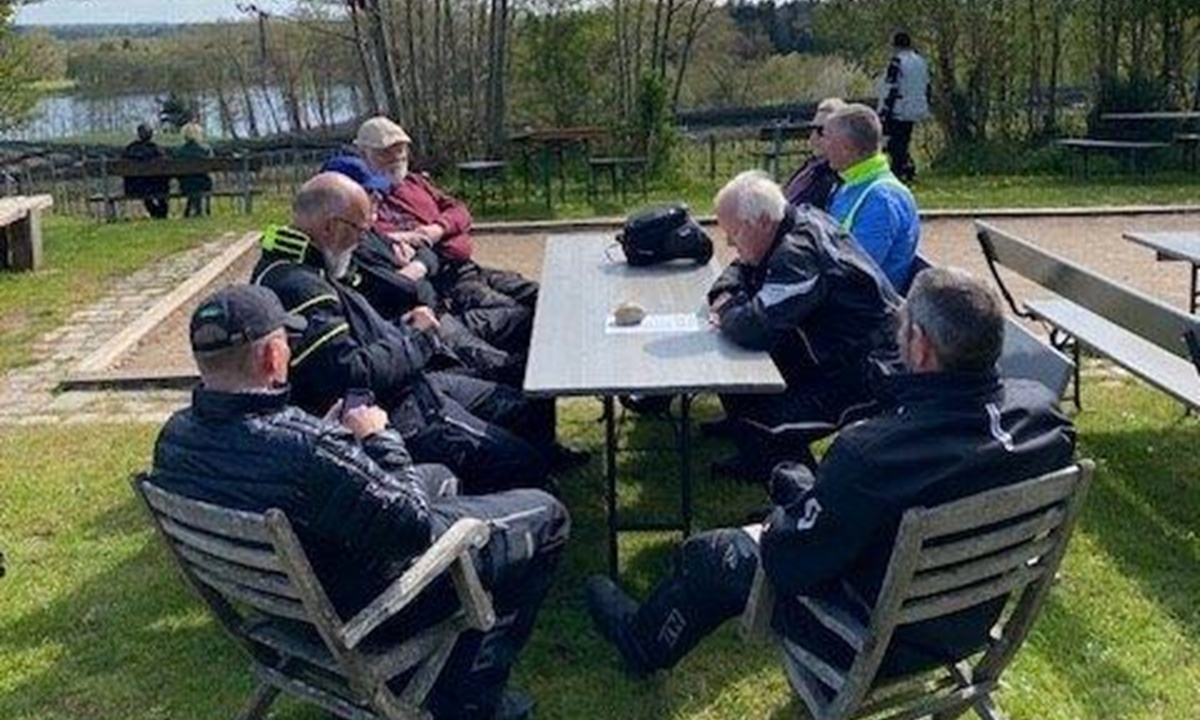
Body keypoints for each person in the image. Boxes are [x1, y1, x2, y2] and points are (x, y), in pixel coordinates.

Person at [585, 267, 1077, 680]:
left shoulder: (871, 453)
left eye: (901, 327)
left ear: (921, 348)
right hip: (963, 622)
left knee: (711, 557)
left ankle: (638, 643)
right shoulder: (1045, 418)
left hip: (873, 640)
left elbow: (790, 560)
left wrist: (797, 490)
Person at [150, 283, 568, 720]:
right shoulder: (309, 450)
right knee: (548, 514)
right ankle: (473, 698)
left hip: (284, 605)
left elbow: (284, 468)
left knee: (442, 476)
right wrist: (377, 438)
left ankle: (435, 664)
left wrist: (332, 441)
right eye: (286, 343)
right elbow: (411, 526)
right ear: (272, 357)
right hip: (362, 610)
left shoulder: (174, 439)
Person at [252, 173, 586, 494]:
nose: (362, 239)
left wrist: (404, 327)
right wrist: (420, 339)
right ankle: (504, 503)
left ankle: (534, 474)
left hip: (411, 379)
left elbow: (362, 337)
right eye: (359, 229)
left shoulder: (308, 263)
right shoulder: (300, 285)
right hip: (396, 410)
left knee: (524, 406)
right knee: (521, 463)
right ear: (330, 226)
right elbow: (349, 374)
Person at [704, 170, 900, 479]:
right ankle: (757, 458)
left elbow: (755, 327)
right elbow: (738, 268)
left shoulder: (797, 254)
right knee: (740, 383)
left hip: (866, 372)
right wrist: (727, 293)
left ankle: (801, 490)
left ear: (763, 222)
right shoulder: (792, 219)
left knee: (763, 419)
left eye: (735, 233)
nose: (728, 242)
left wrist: (727, 308)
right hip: (831, 355)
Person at [321, 154, 529, 386]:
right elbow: (404, 288)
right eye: (370, 193)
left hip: (441, 312)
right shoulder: (350, 245)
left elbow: (432, 250)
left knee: (524, 318)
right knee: (510, 370)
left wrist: (419, 262)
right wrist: (420, 265)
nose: (378, 199)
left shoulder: (371, 233)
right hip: (427, 329)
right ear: (344, 201)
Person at [353, 116, 538, 353]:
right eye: (386, 152)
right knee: (522, 316)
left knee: (539, 294)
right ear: (363, 154)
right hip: (449, 285)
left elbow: (461, 212)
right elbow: (417, 252)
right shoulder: (365, 204)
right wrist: (443, 238)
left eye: (401, 149)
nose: (397, 157)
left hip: (469, 267)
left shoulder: (415, 182)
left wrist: (436, 230)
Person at [824, 104, 921, 292]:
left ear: (847, 147)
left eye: (827, 137)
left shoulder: (882, 200)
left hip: (862, 313)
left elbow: (856, 274)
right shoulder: (850, 185)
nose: (822, 145)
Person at [877, 31, 931, 183]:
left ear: (895, 45)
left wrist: (884, 110)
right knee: (904, 140)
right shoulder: (920, 61)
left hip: (899, 109)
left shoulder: (897, 62)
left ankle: (899, 171)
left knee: (894, 143)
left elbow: (891, 87)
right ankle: (906, 169)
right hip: (916, 107)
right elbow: (927, 85)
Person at [781, 97, 845, 210]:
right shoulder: (810, 168)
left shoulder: (838, 181)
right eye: (812, 130)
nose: (813, 138)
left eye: (821, 131)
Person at [121, 123, 169, 219]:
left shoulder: (130, 149)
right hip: (156, 187)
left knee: (146, 190)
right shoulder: (156, 149)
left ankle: (156, 213)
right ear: (151, 135)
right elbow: (166, 167)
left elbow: (121, 166)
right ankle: (161, 213)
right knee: (160, 186)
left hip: (134, 189)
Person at [174, 121, 214, 218]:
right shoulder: (206, 150)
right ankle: (199, 211)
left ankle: (191, 211)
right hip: (204, 184)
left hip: (185, 184)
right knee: (199, 180)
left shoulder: (178, 151)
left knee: (192, 181)